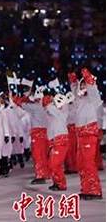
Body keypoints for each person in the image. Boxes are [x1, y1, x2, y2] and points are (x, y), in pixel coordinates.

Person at [70, 68, 103, 200]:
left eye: (85, 84)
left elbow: (93, 89)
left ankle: (95, 191)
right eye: (81, 84)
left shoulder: (93, 98)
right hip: (80, 134)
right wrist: (73, 81)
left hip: (89, 133)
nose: (83, 86)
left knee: (89, 163)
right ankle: (86, 188)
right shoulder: (79, 100)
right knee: (81, 163)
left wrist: (88, 78)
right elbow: (74, 91)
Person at [44, 94, 69, 191]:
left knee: (55, 163)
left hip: (61, 140)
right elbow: (47, 110)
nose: (54, 104)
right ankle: (56, 182)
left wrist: (49, 103)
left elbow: (50, 109)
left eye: (55, 102)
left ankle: (61, 184)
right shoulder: (54, 113)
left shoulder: (63, 113)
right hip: (54, 140)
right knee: (52, 163)